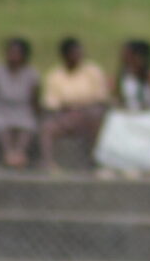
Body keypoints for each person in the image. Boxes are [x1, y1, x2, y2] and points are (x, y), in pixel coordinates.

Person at [93, 40, 150, 179]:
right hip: (126, 113)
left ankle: (134, 164)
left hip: (145, 115)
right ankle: (113, 163)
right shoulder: (121, 76)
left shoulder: (148, 77)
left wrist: (139, 109)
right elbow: (117, 98)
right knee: (115, 121)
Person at [39, 37, 109, 171]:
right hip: (65, 116)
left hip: (88, 115)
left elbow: (101, 98)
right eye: (74, 53)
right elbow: (51, 103)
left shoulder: (93, 71)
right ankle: (48, 162)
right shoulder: (55, 75)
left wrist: (81, 108)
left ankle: (96, 160)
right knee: (47, 127)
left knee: (96, 115)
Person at [0, 37, 40, 169]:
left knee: (27, 125)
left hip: (22, 109)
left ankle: (20, 153)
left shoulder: (31, 74)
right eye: (10, 52)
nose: (12, 56)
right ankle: (9, 153)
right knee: (1, 124)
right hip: (1, 108)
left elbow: (34, 100)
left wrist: (38, 116)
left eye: (16, 53)